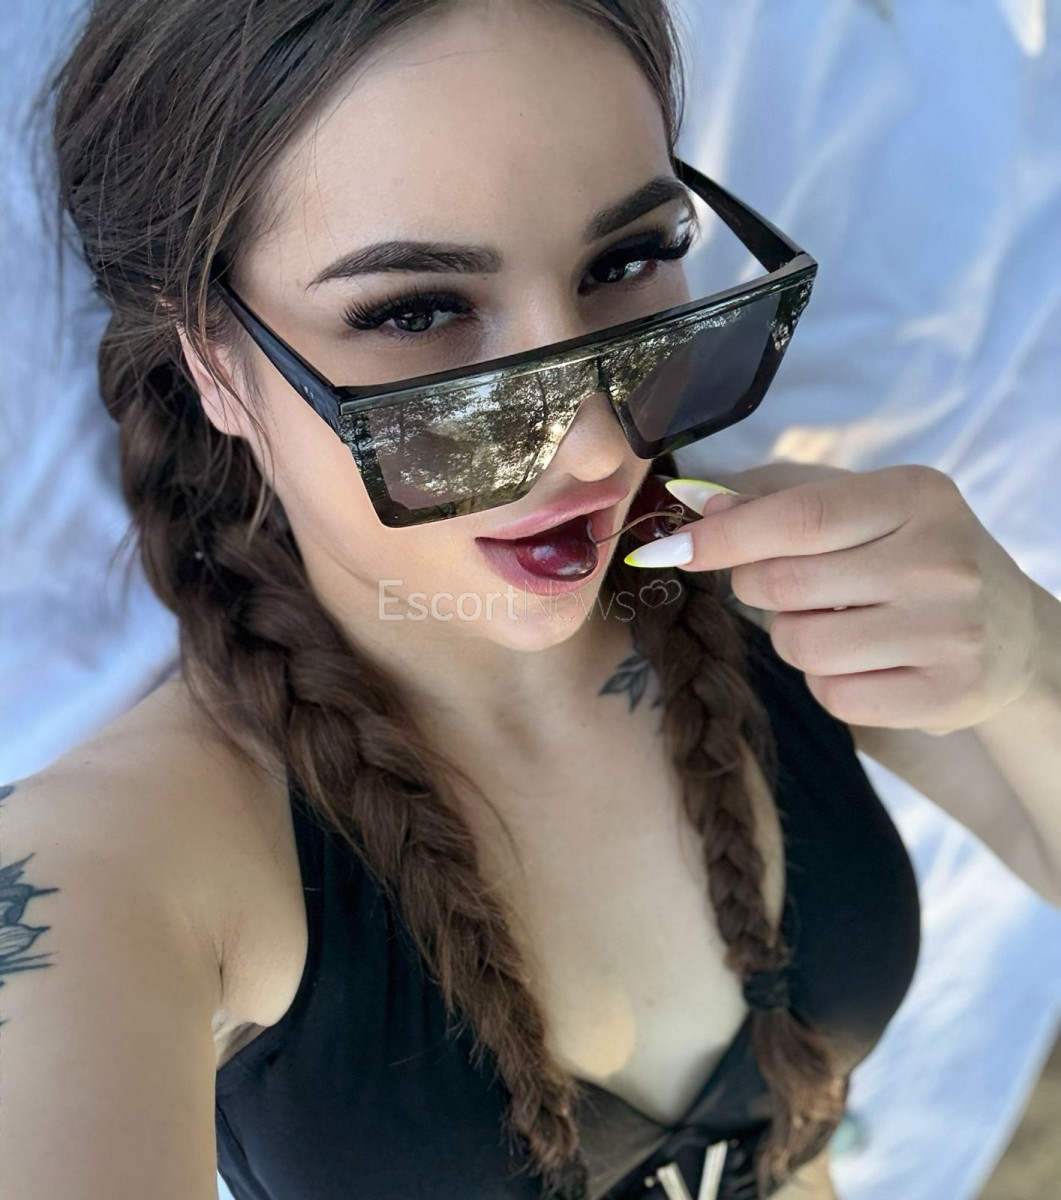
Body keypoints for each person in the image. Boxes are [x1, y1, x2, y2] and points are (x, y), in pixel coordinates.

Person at [3, 2, 1059, 1199]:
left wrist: (1028, 657)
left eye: (625, 261)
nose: (597, 448)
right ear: (212, 360)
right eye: (415, 313)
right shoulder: (112, 870)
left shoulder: (788, 586)